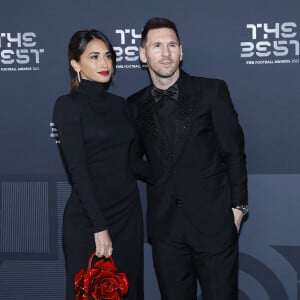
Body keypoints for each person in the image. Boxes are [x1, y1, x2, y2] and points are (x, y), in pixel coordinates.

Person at [127, 17, 248, 300]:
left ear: (181, 51)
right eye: (157, 46)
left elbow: (233, 152)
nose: (165, 53)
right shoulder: (134, 105)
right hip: (166, 230)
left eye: (172, 45)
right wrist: (158, 174)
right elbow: (131, 160)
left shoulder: (211, 91)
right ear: (143, 55)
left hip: (215, 225)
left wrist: (238, 208)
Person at [52, 29, 143, 300]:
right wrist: (99, 227)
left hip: (127, 216)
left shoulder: (120, 105)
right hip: (90, 220)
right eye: (94, 57)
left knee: (130, 291)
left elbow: (132, 162)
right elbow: (77, 170)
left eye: (108, 56)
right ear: (76, 64)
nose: (104, 64)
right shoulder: (67, 106)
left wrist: (179, 171)